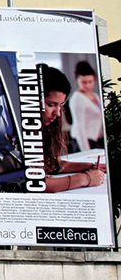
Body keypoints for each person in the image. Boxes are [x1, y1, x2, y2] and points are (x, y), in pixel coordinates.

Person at [40, 65, 106, 193]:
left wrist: (89, 167)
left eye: (60, 105)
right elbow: (40, 183)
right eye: (51, 105)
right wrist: (85, 178)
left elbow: (50, 165)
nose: (58, 113)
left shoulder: (95, 97)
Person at [69, 60, 104, 152]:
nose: (88, 85)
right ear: (77, 80)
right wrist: (86, 151)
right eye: (84, 82)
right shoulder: (77, 98)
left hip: (95, 139)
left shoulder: (95, 96)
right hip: (82, 141)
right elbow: (80, 126)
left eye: (90, 81)